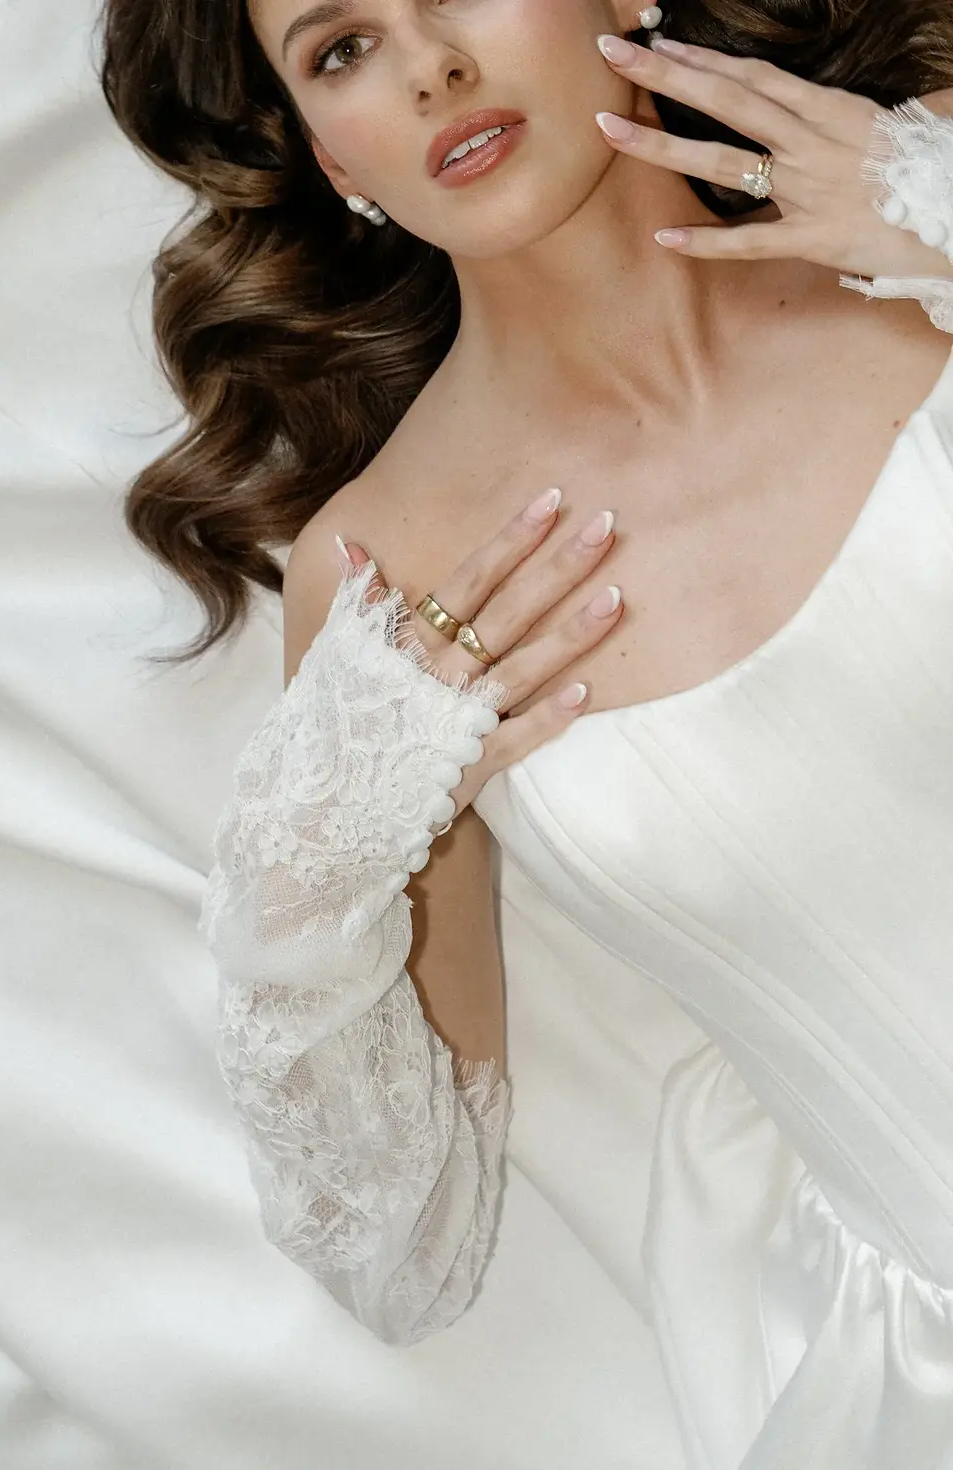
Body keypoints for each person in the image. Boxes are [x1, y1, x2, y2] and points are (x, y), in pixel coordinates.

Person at [100, 0, 953, 1464]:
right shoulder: (387, 585)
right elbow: (408, 1247)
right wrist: (312, 880)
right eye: (340, 47)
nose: (429, 60)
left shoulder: (924, 213)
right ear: (330, 153)